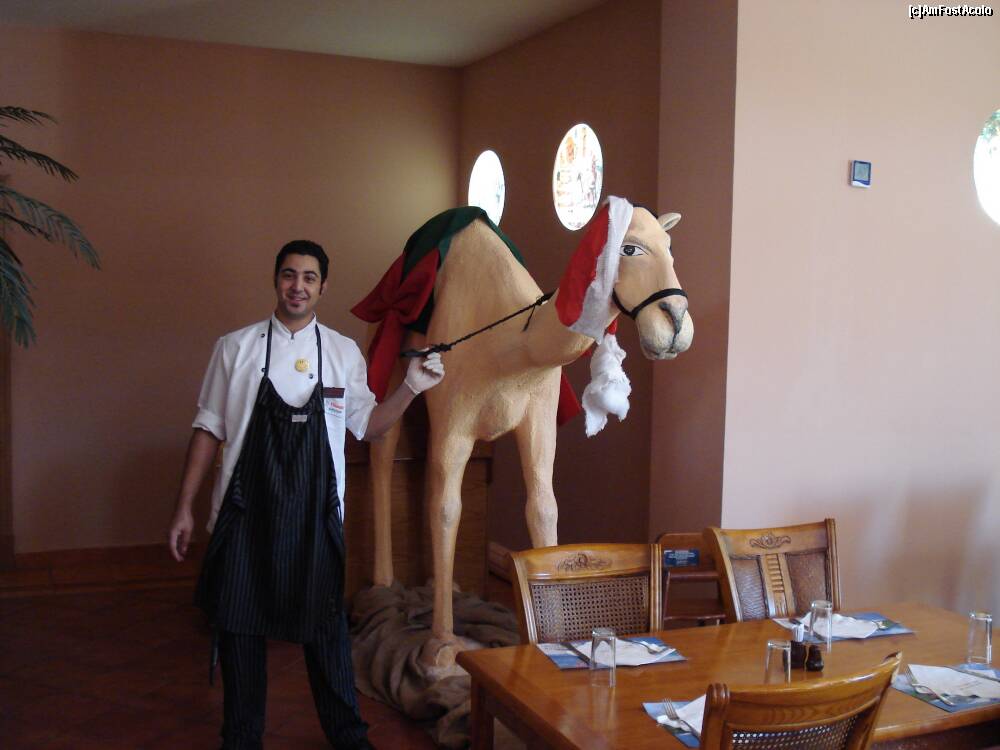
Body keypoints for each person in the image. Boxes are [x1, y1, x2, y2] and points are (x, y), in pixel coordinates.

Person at [168, 239, 443, 750]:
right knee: (240, 631)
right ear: (276, 281)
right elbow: (207, 429)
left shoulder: (341, 353)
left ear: (322, 287)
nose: (298, 286)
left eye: (309, 277)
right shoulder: (235, 348)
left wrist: (411, 387)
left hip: (317, 515)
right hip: (244, 514)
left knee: (325, 631)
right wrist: (184, 507)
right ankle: (242, 739)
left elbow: (370, 426)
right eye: (289, 275)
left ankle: (349, 737)